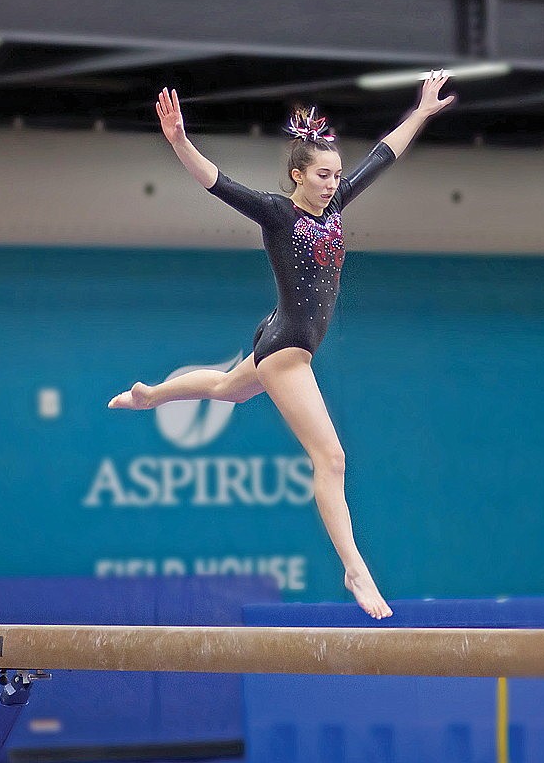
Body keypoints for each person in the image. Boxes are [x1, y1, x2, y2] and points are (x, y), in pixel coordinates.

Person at [109, 72, 456, 618]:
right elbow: (217, 182)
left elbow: (383, 156)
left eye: (336, 175)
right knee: (331, 458)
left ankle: (151, 395)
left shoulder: (336, 206)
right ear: (298, 174)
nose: (332, 183)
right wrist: (179, 141)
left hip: (280, 337)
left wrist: (420, 112)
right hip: (288, 350)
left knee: (227, 388)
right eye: (322, 175)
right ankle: (354, 569)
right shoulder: (278, 213)